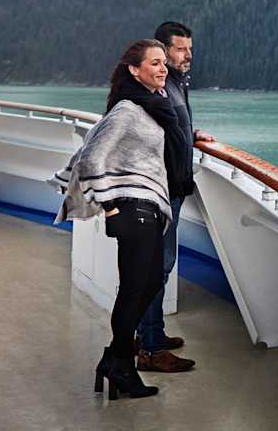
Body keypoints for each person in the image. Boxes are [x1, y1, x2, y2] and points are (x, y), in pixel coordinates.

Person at [53, 39, 178, 399]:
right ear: (134, 71)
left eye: (164, 62)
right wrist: (108, 205)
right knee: (134, 290)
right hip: (133, 211)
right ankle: (121, 366)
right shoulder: (127, 109)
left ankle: (115, 358)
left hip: (148, 208)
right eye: (154, 63)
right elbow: (91, 158)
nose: (163, 68)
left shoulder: (152, 105)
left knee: (148, 284)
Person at [136, 21, 213, 372]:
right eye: (181, 49)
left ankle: (149, 334)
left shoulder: (177, 84)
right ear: (163, 50)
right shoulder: (157, 86)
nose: (188, 55)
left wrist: (191, 133)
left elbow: (170, 126)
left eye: (190, 49)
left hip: (174, 187)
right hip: (161, 191)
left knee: (158, 267)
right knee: (157, 268)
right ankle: (150, 349)